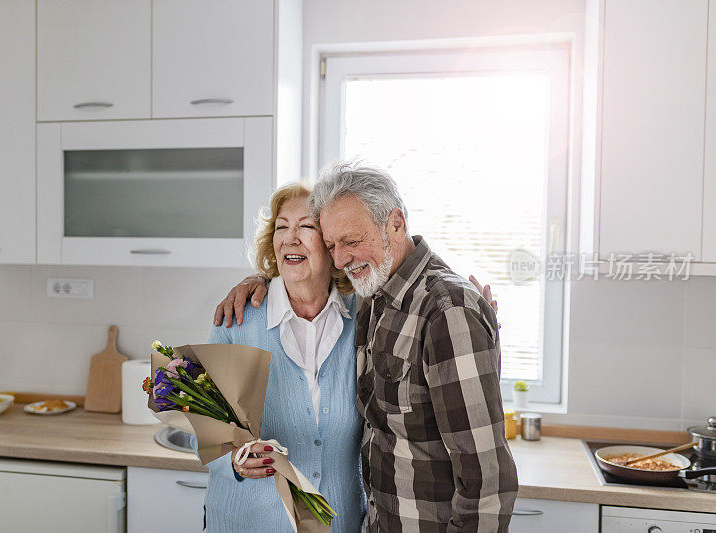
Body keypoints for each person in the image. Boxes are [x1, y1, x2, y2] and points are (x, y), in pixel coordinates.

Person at [215, 161, 518, 532]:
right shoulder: (372, 300)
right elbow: (210, 435)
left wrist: (472, 321)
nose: (342, 257)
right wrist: (259, 279)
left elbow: (486, 481)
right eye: (332, 244)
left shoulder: (445, 309)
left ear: (396, 223)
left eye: (352, 241)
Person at [197, 182, 366, 532]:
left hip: (339, 523)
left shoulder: (363, 320)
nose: (290, 238)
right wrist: (232, 459)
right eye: (281, 227)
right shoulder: (239, 320)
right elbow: (202, 427)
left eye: (306, 226)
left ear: (333, 245)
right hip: (247, 523)